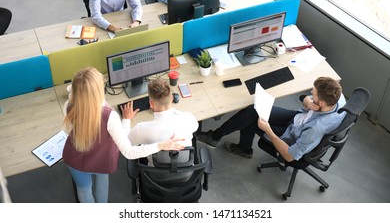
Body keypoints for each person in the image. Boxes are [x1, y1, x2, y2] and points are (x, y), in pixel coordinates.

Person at [62, 67, 184, 203]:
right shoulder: (109, 116)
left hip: (75, 158)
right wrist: (161, 145)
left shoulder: (69, 106)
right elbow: (129, 152)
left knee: (84, 190)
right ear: (98, 91)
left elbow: (70, 131)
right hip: (101, 158)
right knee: (102, 183)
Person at [196, 77, 346, 161]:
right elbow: (308, 99)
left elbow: (289, 156)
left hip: (288, 136)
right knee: (253, 110)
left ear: (321, 103)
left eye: (313, 96)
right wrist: (308, 102)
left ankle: (236, 146)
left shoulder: (315, 129)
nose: (311, 95)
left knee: (250, 119)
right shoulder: (337, 98)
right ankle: (232, 143)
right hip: (296, 119)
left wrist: (269, 131)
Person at [128, 78, 198, 164]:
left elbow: (126, 142)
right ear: (172, 98)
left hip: (155, 176)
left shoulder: (141, 129)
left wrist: (126, 120)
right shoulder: (188, 118)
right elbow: (196, 126)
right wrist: (174, 111)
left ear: (151, 104)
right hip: (187, 174)